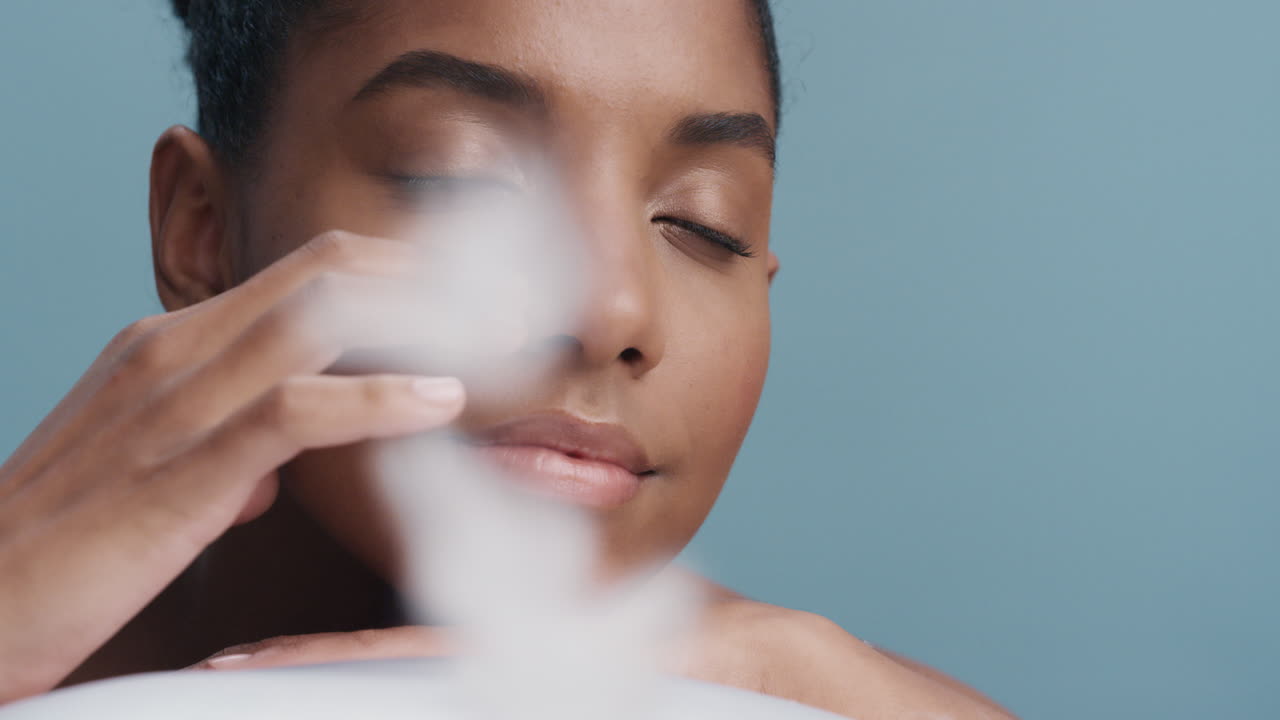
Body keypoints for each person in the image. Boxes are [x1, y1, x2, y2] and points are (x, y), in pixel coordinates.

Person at [0, 1, 1017, 717]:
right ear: (202, 231)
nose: (612, 308)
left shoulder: (821, 694)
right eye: (460, 177)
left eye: (705, 225)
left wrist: (800, 679)